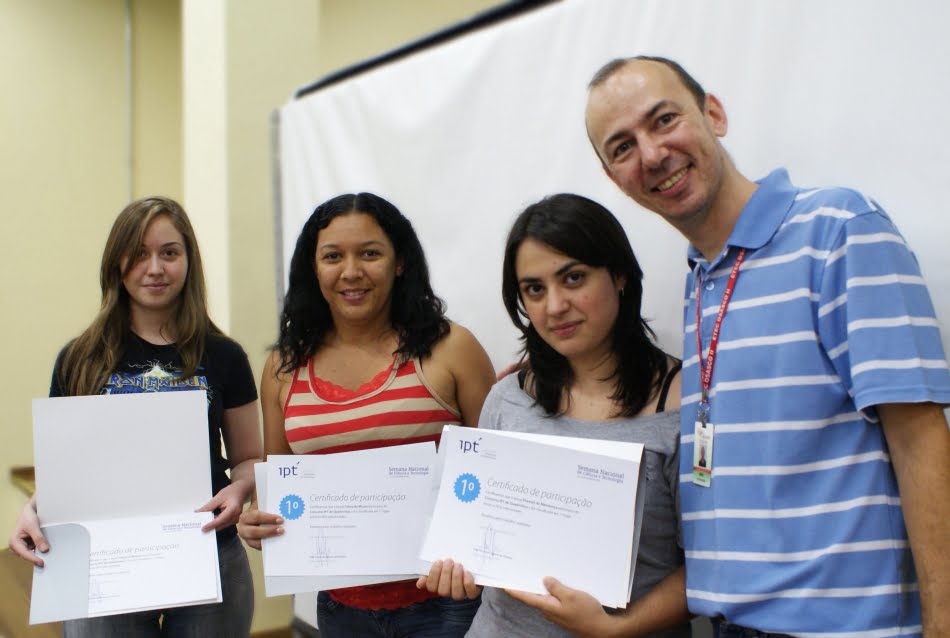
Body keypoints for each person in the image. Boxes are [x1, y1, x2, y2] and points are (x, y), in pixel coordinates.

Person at [583, 56, 950, 637]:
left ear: (714, 114)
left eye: (664, 120)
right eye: (622, 147)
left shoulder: (838, 226)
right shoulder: (701, 275)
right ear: (614, 178)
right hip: (731, 624)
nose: (652, 155)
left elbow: (919, 432)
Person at [419, 193, 692, 638]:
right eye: (534, 289)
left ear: (619, 275)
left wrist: (614, 629)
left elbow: (713, 565)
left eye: (574, 278)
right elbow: (470, 528)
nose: (554, 306)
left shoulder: (684, 409)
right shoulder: (508, 397)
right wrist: (455, 562)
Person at [237, 192, 496, 638]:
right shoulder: (283, 367)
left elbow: (498, 472)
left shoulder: (452, 348)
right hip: (341, 609)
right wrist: (256, 519)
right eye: (333, 256)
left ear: (399, 263)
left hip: (447, 605)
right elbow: (275, 484)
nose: (351, 272)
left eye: (370, 254)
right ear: (313, 268)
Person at [8, 196, 263, 637]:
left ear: (188, 261)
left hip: (205, 552)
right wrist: (32, 509)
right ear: (115, 262)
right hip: (105, 563)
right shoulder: (79, 358)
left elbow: (250, 458)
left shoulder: (224, 355)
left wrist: (241, 487)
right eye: (139, 253)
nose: (155, 268)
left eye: (169, 252)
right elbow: (63, 474)